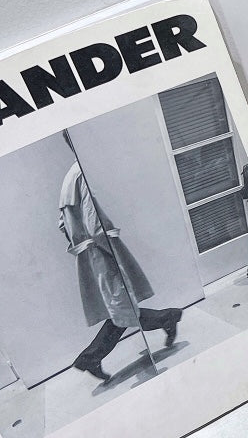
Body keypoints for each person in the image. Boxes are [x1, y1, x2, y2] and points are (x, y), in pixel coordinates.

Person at [60, 159, 182, 384]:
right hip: (103, 253)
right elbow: (96, 228)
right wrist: (114, 254)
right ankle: (168, 317)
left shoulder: (68, 179)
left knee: (121, 309)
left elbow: (62, 225)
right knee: (122, 309)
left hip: (93, 256)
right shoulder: (81, 173)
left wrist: (83, 247)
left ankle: (91, 357)